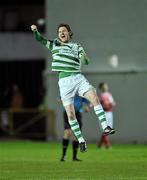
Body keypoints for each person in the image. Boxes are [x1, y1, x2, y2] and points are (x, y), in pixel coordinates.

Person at [30, 23, 115, 152]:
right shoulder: (54, 45)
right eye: (59, 32)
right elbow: (40, 39)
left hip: (78, 78)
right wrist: (35, 31)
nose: (62, 33)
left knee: (94, 98)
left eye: (64, 31)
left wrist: (84, 58)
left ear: (69, 33)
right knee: (70, 114)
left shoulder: (77, 46)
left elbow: (86, 61)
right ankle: (81, 140)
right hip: (64, 82)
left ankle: (105, 127)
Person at [60, 95, 90, 162]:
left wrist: (88, 107)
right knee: (67, 132)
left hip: (77, 113)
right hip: (68, 113)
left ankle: (74, 157)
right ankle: (63, 156)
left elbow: (88, 102)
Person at [97, 82, 116, 149]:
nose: (105, 87)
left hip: (109, 113)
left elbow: (113, 103)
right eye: (104, 86)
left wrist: (111, 104)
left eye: (106, 86)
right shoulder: (100, 96)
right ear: (101, 88)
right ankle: (108, 145)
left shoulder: (109, 94)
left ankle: (100, 144)